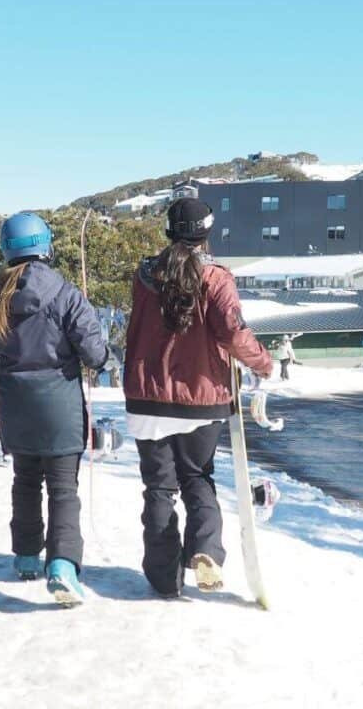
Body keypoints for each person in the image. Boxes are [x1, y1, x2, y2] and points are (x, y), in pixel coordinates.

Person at [0, 212, 111, 606]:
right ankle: (63, 566)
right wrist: (105, 357)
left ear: (6, 250)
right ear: (46, 246)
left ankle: (25, 556)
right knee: (63, 489)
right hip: (60, 408)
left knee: (25, 482)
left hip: (16, 406)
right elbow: (93, 352)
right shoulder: (67, 294)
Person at [123, 196, 274, 599]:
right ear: (207, 232)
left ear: (168, 230)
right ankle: (205, 551)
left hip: (147, 397)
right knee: (197, 478)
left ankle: (163, 578)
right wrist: (264, 363)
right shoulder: (217, 277)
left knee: (158, 487)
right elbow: (233, 334)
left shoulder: (143, 275)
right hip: (201, 398)